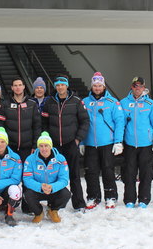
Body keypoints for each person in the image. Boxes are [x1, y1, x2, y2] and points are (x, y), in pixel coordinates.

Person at [41, 75, 89, 211]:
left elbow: (85, 121)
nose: (60, 87)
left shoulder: (76, 101)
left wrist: (78, 139)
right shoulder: (49, 102)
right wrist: (47, 139)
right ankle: (54, 204)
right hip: (54, 146)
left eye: (62, 85)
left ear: (66, 86)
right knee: (53, 175)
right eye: (57, 85)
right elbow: (44, 122)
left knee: (74, 175)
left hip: (70, 143)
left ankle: (79, 204)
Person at [82, 72, 124, 209]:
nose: (97, 88)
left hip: (107, 143)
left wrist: (118, 141)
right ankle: (93, 197)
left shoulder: (112, 102)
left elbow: (119, 122)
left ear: (104, 86)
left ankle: (110, 196)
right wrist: (82, 142)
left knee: (108, 171)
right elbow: (80, 122)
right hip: (90, 144)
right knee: (91, 172)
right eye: (95, 85)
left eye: (100, 85)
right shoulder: (85, 102)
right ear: (92, 86)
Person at [120, 77, 153, 208]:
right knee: (129, 173)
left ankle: (144, 199)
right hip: (129, 144)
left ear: (144, 88)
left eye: (140, 86)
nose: (137, 88)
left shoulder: (150, 104)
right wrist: (118, 141)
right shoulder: (123, 103)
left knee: (146, 173)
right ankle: (129, 199)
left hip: (146, 144)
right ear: (131, 87)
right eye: (134, 86)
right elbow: (119, 123)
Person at [22, 132, 71, 224]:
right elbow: (27, 179)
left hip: (53, 189)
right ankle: (38, 213)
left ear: (51, 146)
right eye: (41, 146)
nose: (44, 149)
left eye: (46, 145)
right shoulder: (30, 159)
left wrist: (52, 187)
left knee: (66, 194)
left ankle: (53, 210)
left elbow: (64, 179)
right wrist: (40, 186)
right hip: (39, 189)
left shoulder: (60, 159)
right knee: (27, 195)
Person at [0, 78, 41, 162]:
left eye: (20, 85)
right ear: (12, 88)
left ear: (24, 87)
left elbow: (37, 126)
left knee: (26, 172)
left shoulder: (32, 104)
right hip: (10, 147)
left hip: (27, 148)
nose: (18, 87)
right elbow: (0, 125)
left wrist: (35, 145)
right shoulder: (5, 104)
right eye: (15, 85)